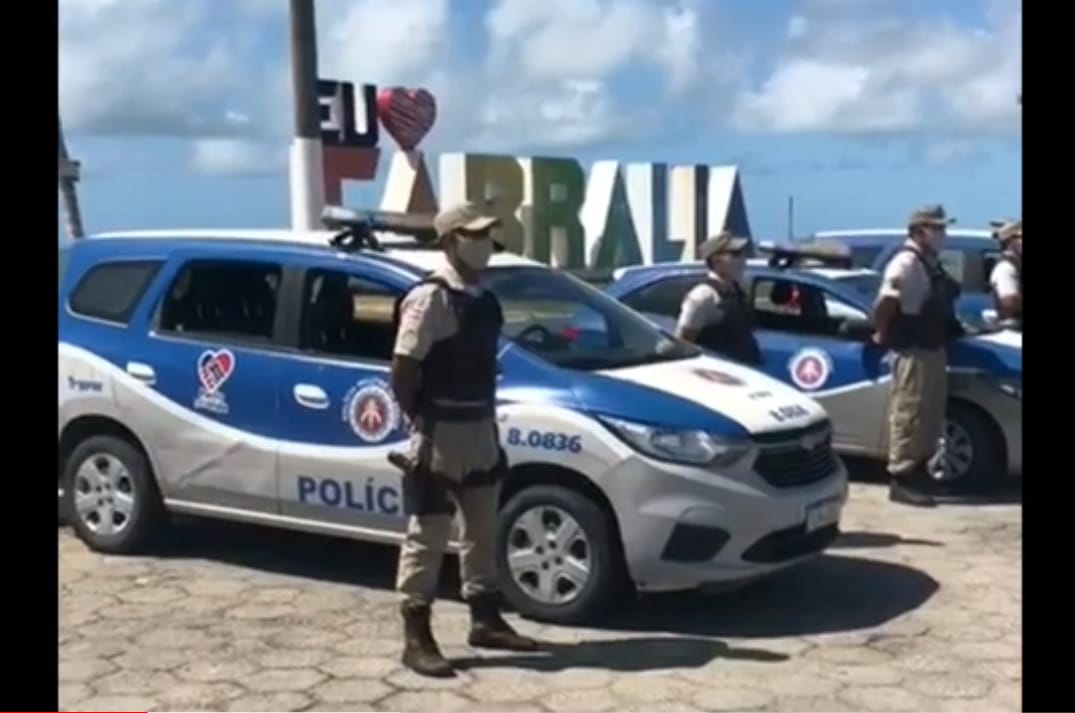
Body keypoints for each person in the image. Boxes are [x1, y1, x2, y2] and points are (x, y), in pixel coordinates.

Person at [389, 201, 538, 678]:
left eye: (487, 234)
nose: (485, 244)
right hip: (440, 432)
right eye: (475, 235)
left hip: (480, 426)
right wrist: (419, 419)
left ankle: (486, 619)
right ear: (451, 241)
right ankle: (417, 636)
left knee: (481, 529)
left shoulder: (481, 296)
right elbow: (404, 367)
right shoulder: (431, 298)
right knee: (428, 533)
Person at [872, 205, 964, 507]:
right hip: (912, 348)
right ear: (918, 231)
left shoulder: (930, 263)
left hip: (932, 347)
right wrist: (882, 333)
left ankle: (921, 473)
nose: (942, 235)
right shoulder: (906, 263)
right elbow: (887, 302)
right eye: (936, 229)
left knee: (930, 415)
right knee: (909, 414)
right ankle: (902, 478)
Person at [674, 230, 762, 365]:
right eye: (735, 254)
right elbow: (683, 343)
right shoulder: (703, 296)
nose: (743, 258)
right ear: (717, 261)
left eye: (742, 253)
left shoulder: (737, 290)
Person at [989, 219, 1022, 326]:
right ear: (1010, 242)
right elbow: (1009, 302)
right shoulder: (1005, 268)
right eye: (1020, 237)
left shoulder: (1017, 265)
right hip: (1012, 330)